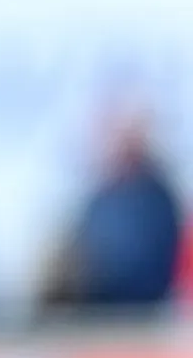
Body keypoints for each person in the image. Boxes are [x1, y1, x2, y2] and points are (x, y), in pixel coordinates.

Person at [43, 114, 183, 317]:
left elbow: (150, 263)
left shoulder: (157, 197)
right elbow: (82, 244)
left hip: (141, 310)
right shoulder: (100, 196)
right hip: (96, 306)